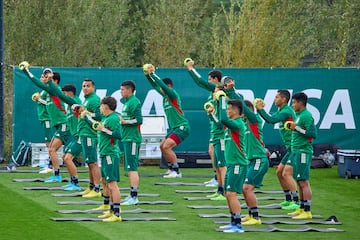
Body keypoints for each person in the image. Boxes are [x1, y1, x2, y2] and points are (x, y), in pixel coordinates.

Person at [49, 78, 102, 197]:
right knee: (88, 163)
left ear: (93, 88)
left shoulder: (92, 100)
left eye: (88, 86)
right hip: (80, 134)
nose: (85, 88)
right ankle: (91, 187)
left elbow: (99, 116)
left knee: (92, 163)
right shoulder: (85, 100)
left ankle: (95, 188)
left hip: (88, 134)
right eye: (83, 86)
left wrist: (87, 113)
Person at [20, 65, 70, 183]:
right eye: (44, 75)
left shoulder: (54, 89)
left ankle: (56, 174)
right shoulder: (49, 90)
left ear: (55, 81)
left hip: (63, 124)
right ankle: (56, 173)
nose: (45, 77)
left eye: (48, 76)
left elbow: (37, 82)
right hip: (58, 125)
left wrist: (26, 71)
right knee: (53, 150)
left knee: (51, 149)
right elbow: (39, 83)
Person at [254, 90, 299, 210]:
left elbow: (270, 120)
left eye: (277, 97)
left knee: (286, 174)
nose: (275, 99)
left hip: (295, 147)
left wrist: (259, 109)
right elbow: (271, 118)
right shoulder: (282, 111)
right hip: (290, 148)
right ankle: (288, 199)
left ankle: (296, 201)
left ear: (284, 99)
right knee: (279, 172)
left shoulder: (286, 111)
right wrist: (261, 110)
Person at [143, 64, 190, 178]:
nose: (160, 90)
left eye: (163, 88)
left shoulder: (172, 95)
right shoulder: (165, 97)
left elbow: (161, 85)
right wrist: (148, 76)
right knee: (162, 146)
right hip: (175, 128)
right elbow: (155, 86)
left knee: (166, 147)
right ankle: (170, 169)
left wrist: (153, 73)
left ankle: (177, 171)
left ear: (168, 86)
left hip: (182, 126)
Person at [185, 59, 224, 190]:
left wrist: (191, 69)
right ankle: (217, 180)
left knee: (217, 156)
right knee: (212, 152)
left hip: (220, 128)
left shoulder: (217, 89)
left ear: (215, 80)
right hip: (214, 126)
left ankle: (221, 184)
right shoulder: (212, 92)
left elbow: (199, 81)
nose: (208, 81)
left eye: (210, 79)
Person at [217, 97, 247, 233]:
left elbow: (222, 119)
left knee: (231, 193)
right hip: (231, 164)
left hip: (237, 164)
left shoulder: (238, 124)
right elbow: (220, 119)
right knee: (227, 193)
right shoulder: (232, 124)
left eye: (229, 109)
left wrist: (221, 99)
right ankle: (233, 222)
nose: (227, 111)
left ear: (235, 111)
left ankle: (238, 225)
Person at [286, 92, 317, 219]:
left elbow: (312, 134)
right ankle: (302, 208)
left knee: (304, 181)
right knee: (299, 181)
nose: (292, 105)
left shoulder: (306, 116)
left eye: (294, 102)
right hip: (297, 151)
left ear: (300, 103)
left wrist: (296, 128)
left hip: (303, 151)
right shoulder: (298, 115)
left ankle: (307, 211)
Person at [47, 82, 83, 191]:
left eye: (64, 94)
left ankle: (75, 183)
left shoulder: (75, 102)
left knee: (66, 158)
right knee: (64, 157)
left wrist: (49, 82)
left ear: (69, 93)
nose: (62, 96)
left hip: (81, 135)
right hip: (75, 136)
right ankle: (72, 181)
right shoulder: (69, 105)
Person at [93, 96, 122, 222]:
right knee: (105, 181)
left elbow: (118, 135)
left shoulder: (114, 118)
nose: (100, 108)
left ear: (105, 106)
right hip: (105, 153)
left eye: (101, 105)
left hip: (111, 154)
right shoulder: (106, 118)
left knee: (112, 184)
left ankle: (116, 214)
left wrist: (103, 129)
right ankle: (111, 210)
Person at [241, 100, 269, 225]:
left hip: (259, 159)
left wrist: (231, 92)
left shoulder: (254, 120)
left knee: (247, 188)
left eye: (241, 111)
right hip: (252, 160)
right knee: (245, 189)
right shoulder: (243, 123)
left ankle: (256, 218)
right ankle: (250, 214)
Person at [119, 80, 143, 205]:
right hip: (127, 138)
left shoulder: (134, 102)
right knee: (129, 168)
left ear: (129, 90)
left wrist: (125, 122)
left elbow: (139, 120)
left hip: (132, 139)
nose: (121, 92)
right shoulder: (127, 102)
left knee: (132, 168)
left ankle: (134, 197)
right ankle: (131, 195)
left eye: (122, 89)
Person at [31, 74, 54, 173]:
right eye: (40, 76)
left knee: (50, 143)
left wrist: (39, 99)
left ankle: (51, 166)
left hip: (47, 118)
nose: (41, 78)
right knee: (48, 142)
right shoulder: (44, 90)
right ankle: (50, 164)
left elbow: (50, 104)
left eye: (43, 76)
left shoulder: (48, 89)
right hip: (44, 119)